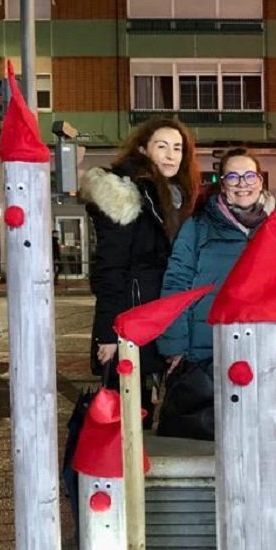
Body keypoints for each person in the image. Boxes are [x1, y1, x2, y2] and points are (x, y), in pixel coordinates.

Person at [80, 118, 199, 407]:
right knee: (128, 413)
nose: (171, 155)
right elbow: (110, 266)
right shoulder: (126, 194)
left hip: (166, 315)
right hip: (132, 319)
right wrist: (108, 333)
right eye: (162, 146)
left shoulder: (177, 197)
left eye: (178, 148)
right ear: (144, 150)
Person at [159, 147, 273, 366]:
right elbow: (176, 284)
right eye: (233, 177)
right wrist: (175, 346)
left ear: (260, 182)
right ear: (222, 185)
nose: (242, 184)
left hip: (264, 346)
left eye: (249, 176)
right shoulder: (198, 226)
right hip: (207, 348)